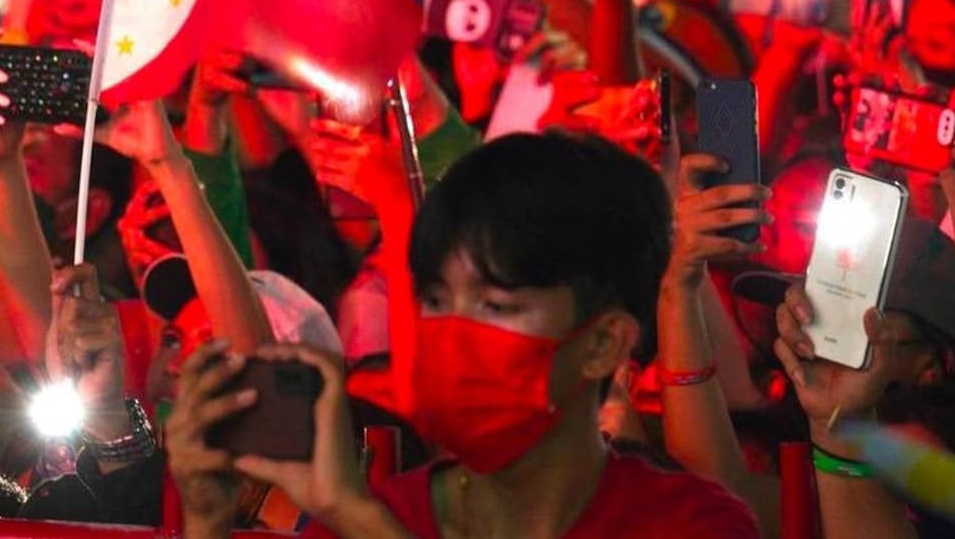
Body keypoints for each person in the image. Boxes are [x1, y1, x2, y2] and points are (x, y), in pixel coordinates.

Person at [166, 131, 761, 537]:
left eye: (495, 304)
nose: (453, 333)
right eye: (435, 300)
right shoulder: (364, 515)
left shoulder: (686, 525)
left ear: (604, 343)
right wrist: (206, 524)